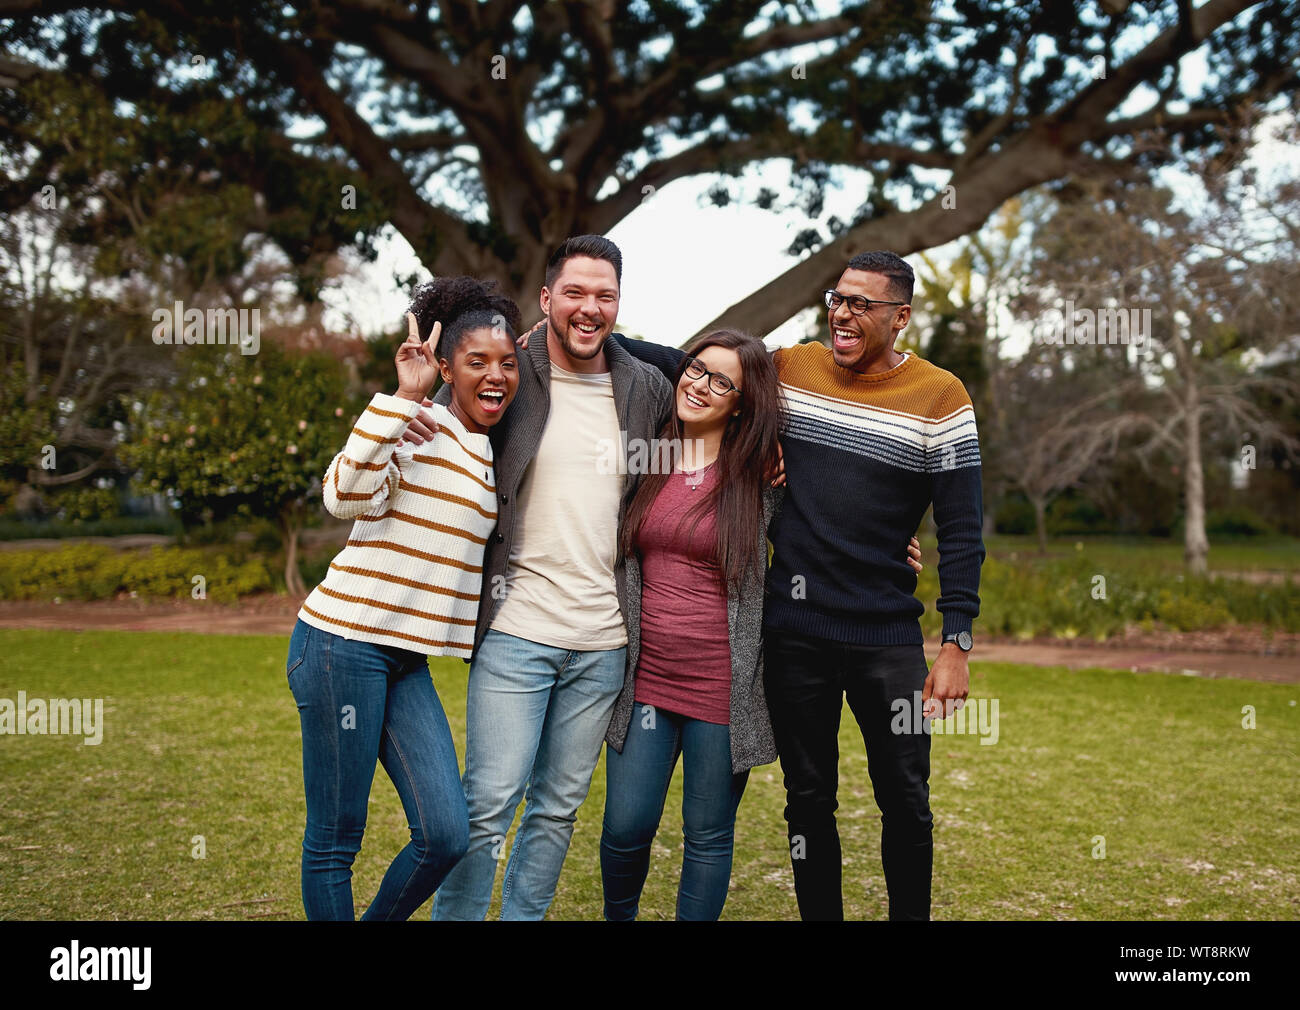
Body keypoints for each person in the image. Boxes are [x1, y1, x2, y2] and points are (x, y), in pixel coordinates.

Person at [613, 250, 983, 921]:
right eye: (837, 298)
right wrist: (594, 334)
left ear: (900, 318)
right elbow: (694, 364)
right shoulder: (792, 368)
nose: (842, 313)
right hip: (794, 633)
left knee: (905, 797)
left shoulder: (942, 397)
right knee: (808, 801)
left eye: (861, 304)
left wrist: (956, 642)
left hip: (886, 638)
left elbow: (960, 530)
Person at [419, 235, 676, 921]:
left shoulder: (645, 388)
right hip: (516, 630)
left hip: (603, 643)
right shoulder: (509, 372)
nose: (589, 309)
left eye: (605, 296)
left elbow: (720, 405)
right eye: (575, 293)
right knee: (488, 805)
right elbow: (433, 431)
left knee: (558, 810)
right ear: (546, 299)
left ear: (619, 303)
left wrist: (775, 464)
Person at [285, 277, 522, 920]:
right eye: (476, 362)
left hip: (404, 660)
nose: (495, 376)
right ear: (445, 365)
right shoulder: (416, 423)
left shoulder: (491, 449)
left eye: (507, 363)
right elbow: (343, 494)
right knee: (336, 838)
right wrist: (402, 398)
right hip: (342, 644)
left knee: (446, 832)